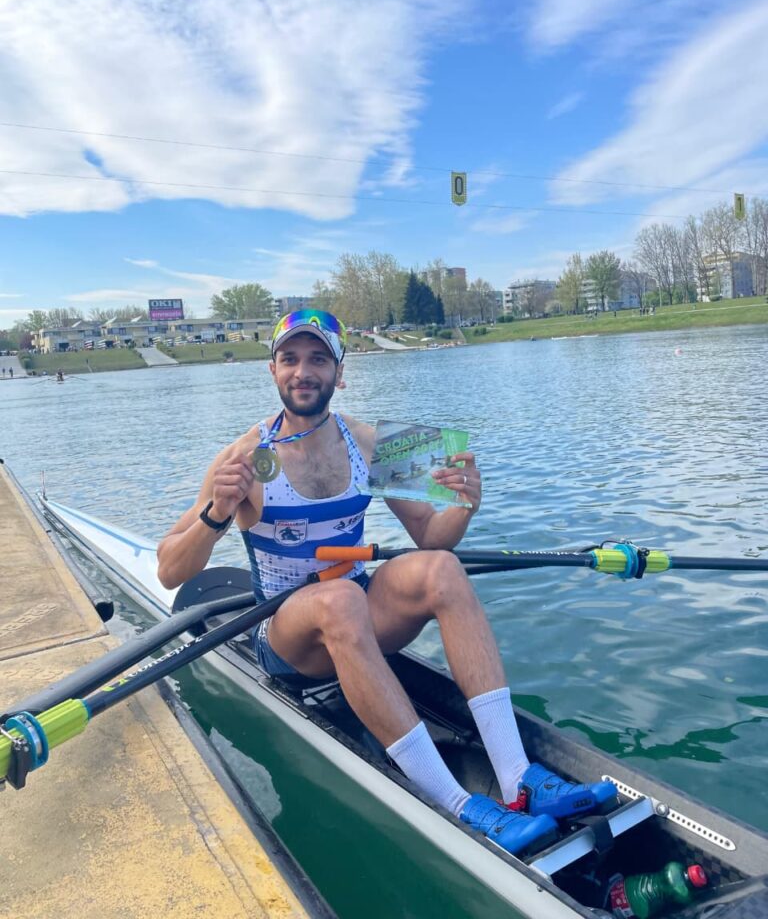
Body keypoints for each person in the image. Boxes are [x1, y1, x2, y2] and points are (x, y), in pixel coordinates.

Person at [158, 309, 617, 856]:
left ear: (340, 372)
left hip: (360, 615)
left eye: (318, 359)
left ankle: (519, 778)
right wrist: (215, 515)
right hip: (287, 637)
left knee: (443, 571)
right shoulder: (244, 458)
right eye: (290, 359)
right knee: (341, 599)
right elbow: (169, 570)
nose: (303, 371)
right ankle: (460, 805)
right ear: (274, 372)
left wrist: (466, 501)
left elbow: (431, 536)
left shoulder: (375, 443)